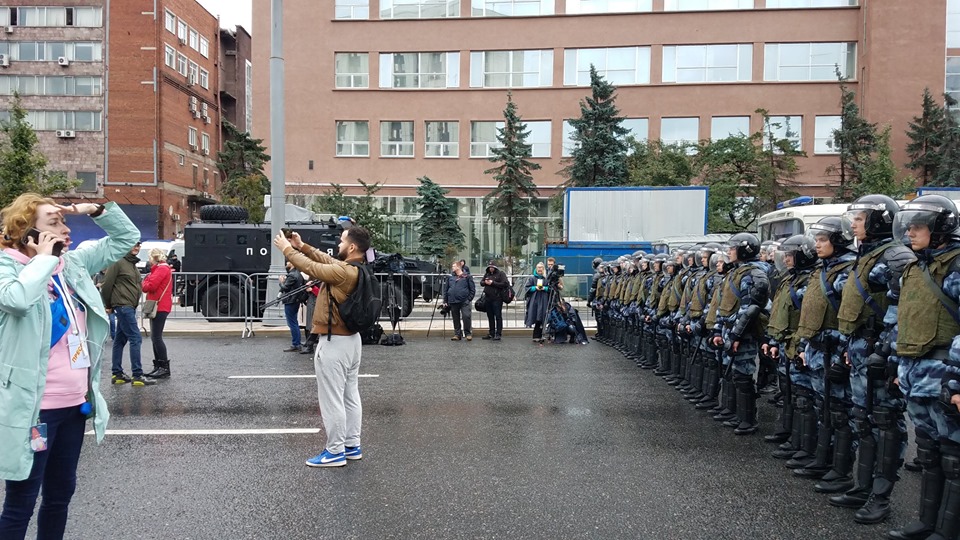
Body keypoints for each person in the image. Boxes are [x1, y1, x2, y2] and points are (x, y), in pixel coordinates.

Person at [0, 196, 140, 538]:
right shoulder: (9, 268)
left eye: (65, 222)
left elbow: (125, 238)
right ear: (27, 231)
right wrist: (43, 260)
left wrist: (97, 211)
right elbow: (17, 301)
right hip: (36, 410)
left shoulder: (73, 265)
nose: (66, 229)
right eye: (54, 223)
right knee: (22, 500)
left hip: (75, 405)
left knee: (60, 496)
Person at [830, 195, 913, 524]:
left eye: (860, 218)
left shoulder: (894, 256)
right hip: (859, 349)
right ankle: (862, 486)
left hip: (878, 352)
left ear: (878, 222)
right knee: (862, 420)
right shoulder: (864, 256)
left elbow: (905, 307)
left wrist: (886, 350)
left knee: (885, 422)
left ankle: (881, 496)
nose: (853, 224)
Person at [886, 195, 960, 539]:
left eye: (919, 226)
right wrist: (893, 362)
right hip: (914, 371)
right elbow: (903, 318)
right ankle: (927, 522)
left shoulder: (956, 266)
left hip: (945, 374)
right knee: (928, 453)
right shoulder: (915, 268)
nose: (911, 232)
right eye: (910, 226)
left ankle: (948, 530)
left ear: (940, 227)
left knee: (954, 458)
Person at [273, 226, 371, 468]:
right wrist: (302, 246)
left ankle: (335, 451)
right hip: (351, 341)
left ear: (351, 247)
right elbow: (326, 260)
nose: (338, 243)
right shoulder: (355, 268)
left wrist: (287, 250)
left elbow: (313, 268)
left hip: (334, 342)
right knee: (349, 396)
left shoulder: (343, 272)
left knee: (332, 400)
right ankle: (351, 445)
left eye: (342, 240)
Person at [711, 232, 770, 436]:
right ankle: (736, 413)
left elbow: (749, 310)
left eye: (733, 247)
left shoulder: (753, 275)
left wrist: (736, 336)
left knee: (744, 375)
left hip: (743, 333)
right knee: (734, 375)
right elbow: (724, 305)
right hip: (730, 330)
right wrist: (719, 330)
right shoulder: (735, 273)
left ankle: (748, 419)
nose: (729, 251)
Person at [101, 241, 154, 386]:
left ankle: (117, 374)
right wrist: (108, 305)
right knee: (135, 338)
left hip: (129, 306)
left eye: (138, 245)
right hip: (123, 306)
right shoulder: (118, 262)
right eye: (133, 244)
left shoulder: (131, 264)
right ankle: (137, 375)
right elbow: (106, 285)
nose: (136, 247)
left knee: (120, 340)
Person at [141, 248, 174, 379]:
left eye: (149, 258)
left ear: (154, 258)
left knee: (156, 337)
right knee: (155, 337)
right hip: (159, 305)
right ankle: (159, 366)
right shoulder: (162, 269)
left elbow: (149, 287)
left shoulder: (161, 269)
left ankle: (163, 367)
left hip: (159, 306)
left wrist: (145, 281)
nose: (148, 261)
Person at [443, 259, 475, 341]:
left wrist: (469, 299)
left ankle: (468, 333)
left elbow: (472, 290)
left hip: (464, 301)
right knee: (455, 318)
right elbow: (446, 290)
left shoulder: (467, 277)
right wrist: (445, 301)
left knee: (466, 316)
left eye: (454, 266)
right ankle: (457, 334)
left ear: (458, 267)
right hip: (453, 301)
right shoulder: (451, 278)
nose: (452, 268)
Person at [279, 258, 306, 352]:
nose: (287, 263)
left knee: (292, 323)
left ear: (293, 264)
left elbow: (285, 288)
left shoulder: (292, 275)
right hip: (295, 300)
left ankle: (296, 344)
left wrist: (281, 282)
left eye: (289, 262)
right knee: (294, 322)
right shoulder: (298, 274)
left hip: (290, 301)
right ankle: (297, 342)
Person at [481, 261, 509, 341]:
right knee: (490, 316)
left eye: (492, 267)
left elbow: (505, 284)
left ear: (495, 267)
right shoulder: (487, 274)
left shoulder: (501, 274)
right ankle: (491, 333)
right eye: (490, 267)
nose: (491, 268)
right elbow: (481, 282)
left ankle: (498, 333)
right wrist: (485, 282)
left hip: (497, 298)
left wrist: (493, 283)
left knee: (498, 316)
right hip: (488, 298)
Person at [525, 262, 551, 343]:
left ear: (543, 269)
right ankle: (536, 335)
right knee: (536, 316)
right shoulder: (532, 278)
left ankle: (541, 335)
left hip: (543, 299)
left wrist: (544, 288)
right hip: (534, 300)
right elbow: (527, 288)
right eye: (538, 268)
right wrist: (535, 287)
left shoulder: (546, 279)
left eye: (541, 268)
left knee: (543, 316)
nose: (540, 269)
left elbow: (550, 289)